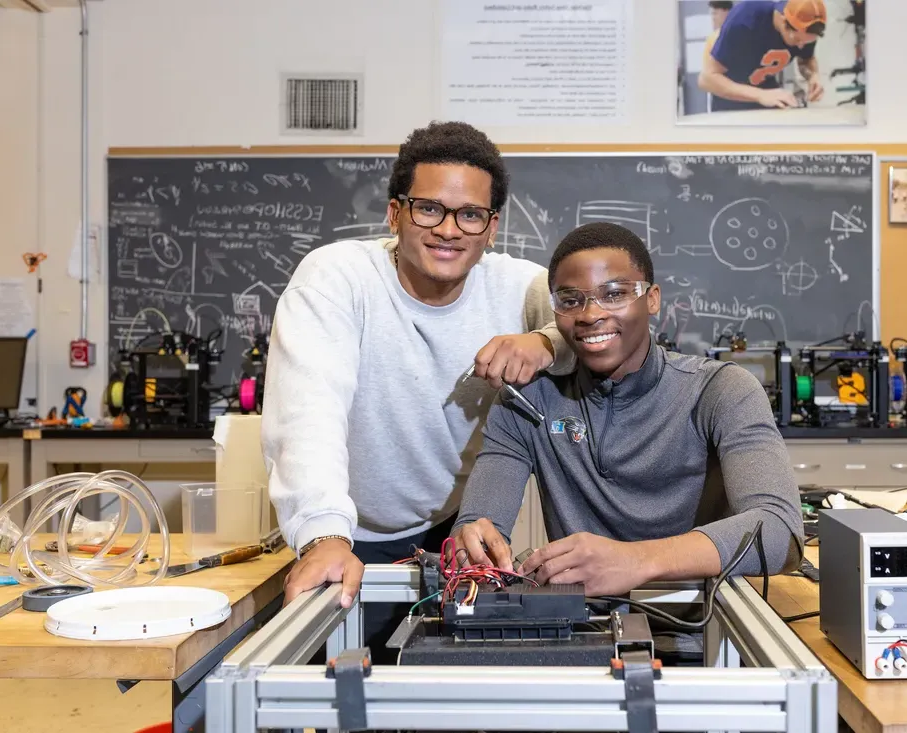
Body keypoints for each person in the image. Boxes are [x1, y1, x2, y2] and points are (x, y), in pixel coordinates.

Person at [261, 121, 575, 657]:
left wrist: (546, 343)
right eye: (429, 208)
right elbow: (308, 412)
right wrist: (323, 534)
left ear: (492, 227)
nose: (448, 230)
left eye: (470, 215)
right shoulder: (337, 277)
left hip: (449, 534)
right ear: (395, 213)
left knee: (433, 691)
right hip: (342, 530)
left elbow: (597, 328)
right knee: (344, 690)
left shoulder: (522, 286)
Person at [451, 222, 804, 596]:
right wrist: (473, 539)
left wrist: (634, 560)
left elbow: (780, 531)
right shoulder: (526, 400)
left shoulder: (720, 391)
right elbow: (479, 524)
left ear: (652, 299)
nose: (590, 314)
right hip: (578, 630)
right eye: (570, 300)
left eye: (615, 294)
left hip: (705, 634)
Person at [698, 0, 826, 113]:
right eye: (797, 40)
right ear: (782, 21)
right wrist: (760, 95)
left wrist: (812, 76)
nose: (801, 46)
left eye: (807, 42)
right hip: (731, 102)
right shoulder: (745, 20)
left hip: (769, 96)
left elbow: (806, 59)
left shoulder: (805, 29)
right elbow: (706, 79)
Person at [701, 1, 736, 113]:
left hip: (730, 96)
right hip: (723, 96)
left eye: (715, 13)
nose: (713, 18)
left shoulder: (715, 38)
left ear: (726, 12)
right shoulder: (712, 38)